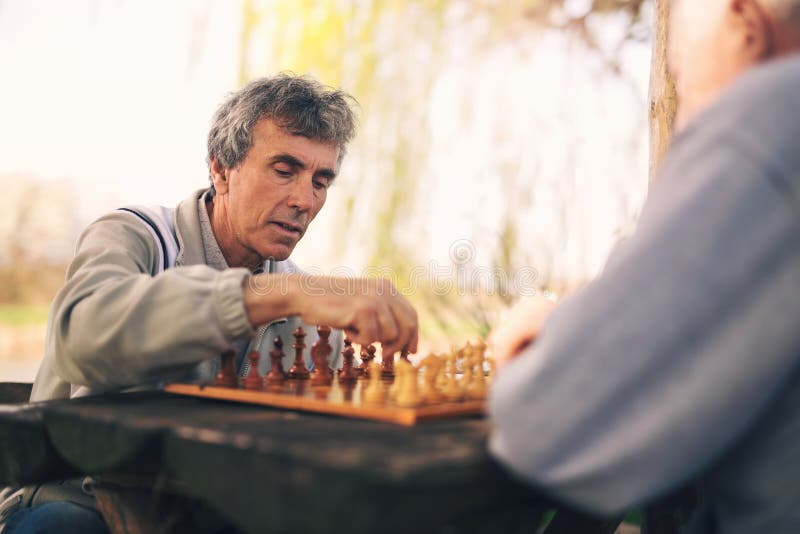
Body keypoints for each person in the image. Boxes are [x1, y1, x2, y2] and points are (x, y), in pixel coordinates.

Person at [0, 74, 418, 533]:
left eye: (321, 181)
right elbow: (76, 339)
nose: (304, 200)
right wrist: (271, 296)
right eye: (284, 170)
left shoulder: (310, 309)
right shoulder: (136, 237)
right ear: (221, 170)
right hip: (79, 500)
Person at [489, 0, 800, 532]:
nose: (684, 117)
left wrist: (541, 331)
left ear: (746, 27)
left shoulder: (772, 111)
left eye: (681, 73)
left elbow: (547, 425)